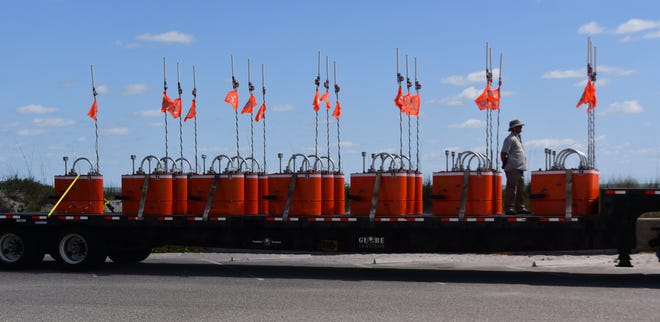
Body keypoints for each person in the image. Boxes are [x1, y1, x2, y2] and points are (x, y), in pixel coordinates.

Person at [500, 119, 531, 215]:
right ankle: (508, 208)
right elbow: (503, 153)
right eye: (519, 126)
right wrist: (505, 164)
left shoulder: (517, 138)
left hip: (519, 168)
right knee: (512, 189)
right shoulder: (510, 139)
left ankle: (520, 208)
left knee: (520, 189)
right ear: (513, 128)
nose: (521, 128)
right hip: (513, 168)